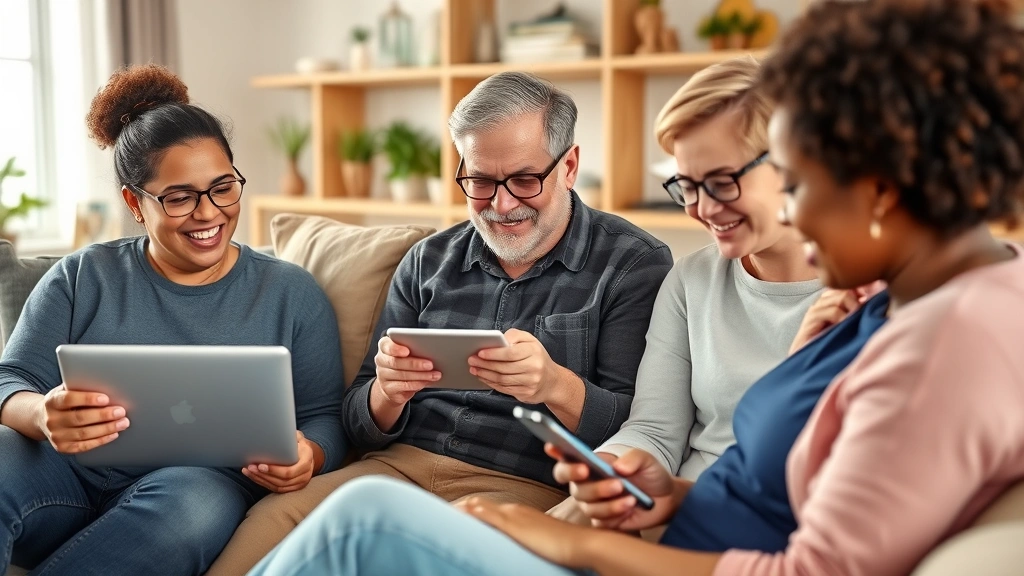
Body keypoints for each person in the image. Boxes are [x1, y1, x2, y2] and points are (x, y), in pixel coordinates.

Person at [245, 1, 1024, 575]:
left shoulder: (946, 339)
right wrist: (663, 495)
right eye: (482, 182)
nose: (791, 209)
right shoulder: (892, 304)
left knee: (359, 521)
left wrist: (569, 534)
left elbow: (814, 564)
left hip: (622, 540)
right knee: (351, 510)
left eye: (803, 182)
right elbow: (763, 477)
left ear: (881, 185)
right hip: (644, 523)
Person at [207, 70, 674, 574]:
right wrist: (389, 393)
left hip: (527, 487)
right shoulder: (428, 260)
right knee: (267, 525)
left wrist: (553, 385)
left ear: (570, 166)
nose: (502, 204)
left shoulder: (632, 265)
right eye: (479, 181)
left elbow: (639, 430)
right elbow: (357, 418)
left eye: (523, 179)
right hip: (395, 468)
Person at [0, 65, 346, 575]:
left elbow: (327, 415)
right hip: (66, 480)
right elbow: (12, 378)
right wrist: (41, 414)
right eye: (180, 197)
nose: (208, 213)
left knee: (194, 504)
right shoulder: (82, 276)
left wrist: (309, 456)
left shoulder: (290, 293)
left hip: (195, 491)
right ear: (135, 204)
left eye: (223, 187)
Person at [549, 56, 839, 525]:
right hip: (673, 516)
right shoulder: (691, 279)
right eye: (686, 185)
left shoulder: (867, 295)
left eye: (721, 183)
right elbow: (655, 429)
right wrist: (616, 464)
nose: (701, 209)